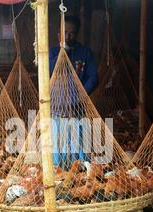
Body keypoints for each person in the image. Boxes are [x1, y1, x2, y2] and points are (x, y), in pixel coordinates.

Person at [49, 16, 98, 169]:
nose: (68, 36)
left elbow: (93, 77)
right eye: (65, 32)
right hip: (57, 107)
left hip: (77, 106)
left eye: (72, 33)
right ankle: (58, 169)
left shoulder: (84, 53)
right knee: (58, 139)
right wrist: (62, 52)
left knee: (77, 139)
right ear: (59, 34)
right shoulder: (52, 52)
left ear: (77, 34)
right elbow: (49, 70)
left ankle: (80, 168)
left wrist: (81, 95)